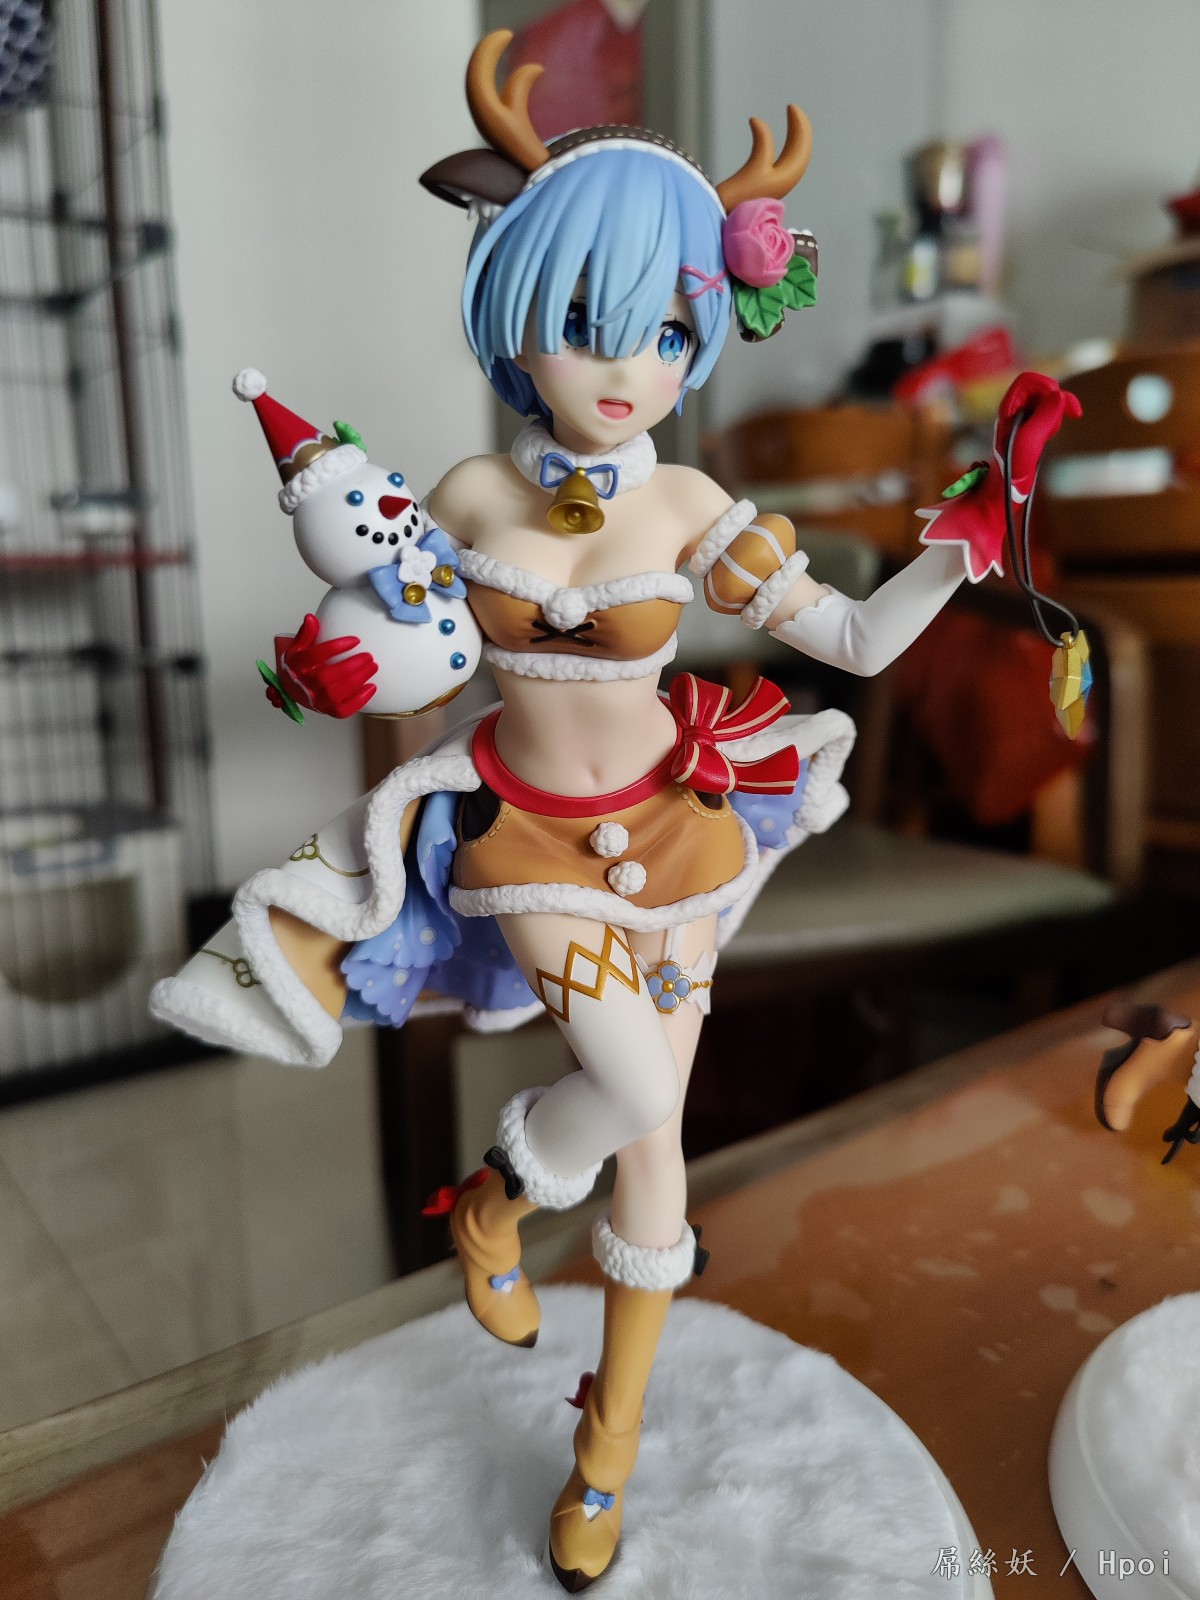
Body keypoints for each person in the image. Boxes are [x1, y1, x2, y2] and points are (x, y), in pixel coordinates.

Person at [152, 31, 1080, 1591]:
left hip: (678, 823)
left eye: (666, 328)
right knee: (636, 1086)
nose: (626, 366)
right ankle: (502, 1198)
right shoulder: (468, 496)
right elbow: (403, 633)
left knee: (658, 1165)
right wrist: (333, 666)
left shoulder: (693, 506)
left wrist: (962, 544)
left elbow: (854, 642)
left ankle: (600, 1451)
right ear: (516, 311)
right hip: (525, 836)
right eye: (589, 320)